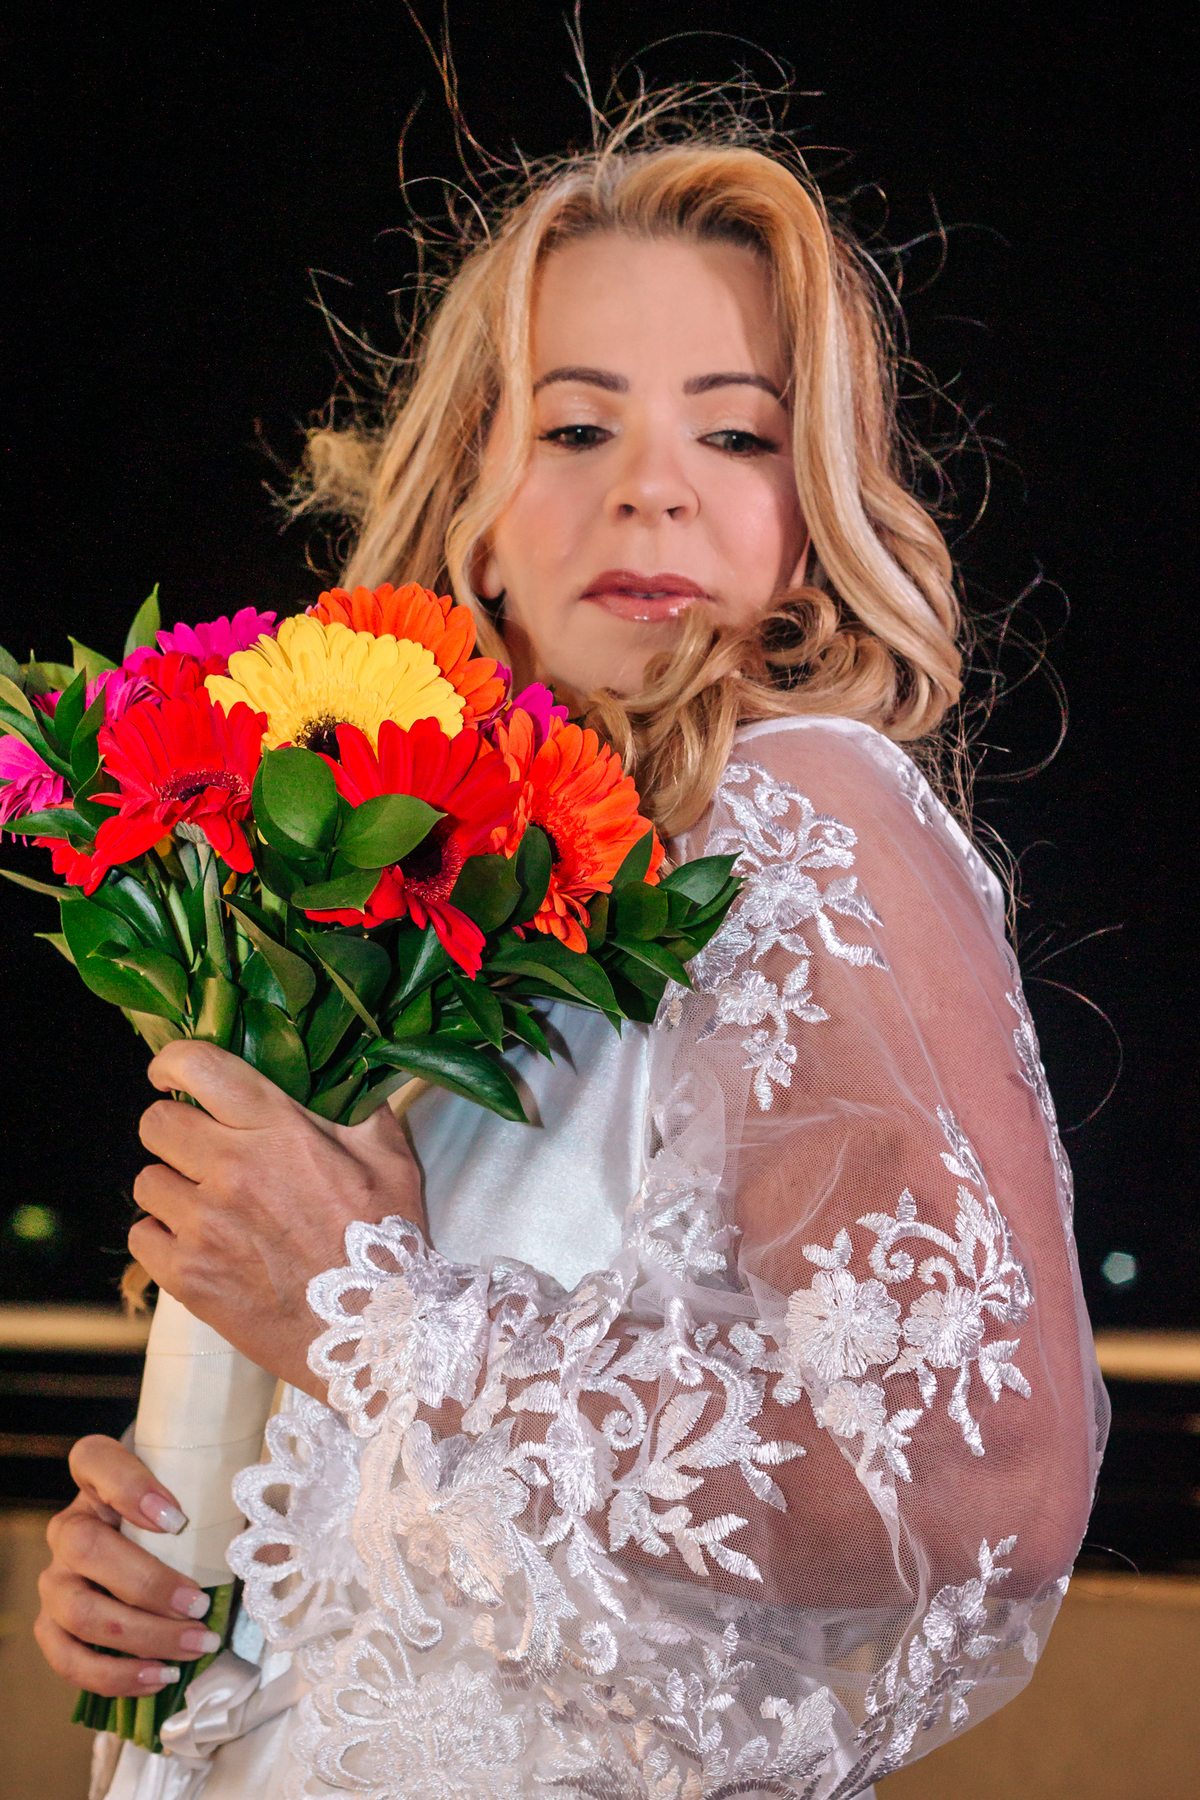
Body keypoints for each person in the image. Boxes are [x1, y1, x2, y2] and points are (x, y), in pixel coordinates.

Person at [34, 110, 1105, 1800]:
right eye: (578, 422)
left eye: (738, 435)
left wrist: (384, 1322)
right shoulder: (442, 933)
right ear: (471, 502)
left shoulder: (793, 811)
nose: (655, 482)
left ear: (810, 510)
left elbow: (979, 1474)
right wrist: (183, 1563)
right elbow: (400, 1502)